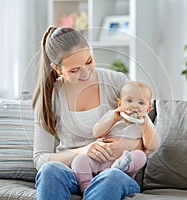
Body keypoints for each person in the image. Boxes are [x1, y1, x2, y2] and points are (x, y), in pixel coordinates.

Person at [32, 26, 159, 200]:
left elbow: (146, 141)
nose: (85, 73)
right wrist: (84, 151)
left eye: (89, 61)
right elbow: (40, 158)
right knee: (49, 170)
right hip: (73, 173)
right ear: (57, 69)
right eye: (74, 70)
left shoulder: (117, 81)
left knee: (110, 178)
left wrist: (117, 147)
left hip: (114, 173)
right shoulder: (49, 97)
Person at [71, 81, 158, 192]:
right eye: (129, 100)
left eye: (141, 103)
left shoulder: (146, 122)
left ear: (148, 109)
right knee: (79, 160)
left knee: (140, 155)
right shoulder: (112, 115)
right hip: (100, 160)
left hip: (124, 167)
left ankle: (120, 167)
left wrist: (144, 124)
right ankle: (86, 187)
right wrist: (113, 119)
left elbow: (152, 146)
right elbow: (96, 132)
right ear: (119, 103)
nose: (135, 105)